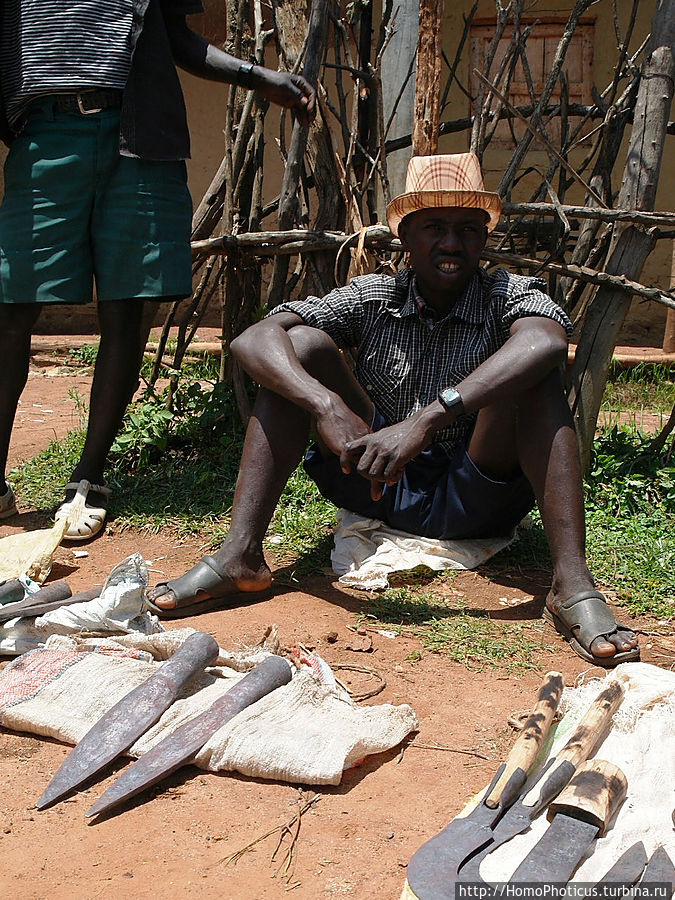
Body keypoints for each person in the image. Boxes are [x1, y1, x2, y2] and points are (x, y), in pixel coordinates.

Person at [149, 152, 640, 667]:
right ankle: (240, 556)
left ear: (484, 238)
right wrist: (326, 404)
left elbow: (545, 342)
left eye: (468, 230)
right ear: (404, 235)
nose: (452, 244)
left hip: (473, 495)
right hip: (374, 479)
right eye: (434, 227)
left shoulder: (506, 295)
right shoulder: (374, 296)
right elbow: (253, 340)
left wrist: (427, 420)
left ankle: (571, 584)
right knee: (303, 348)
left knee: (533, 375)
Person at [0, 0, 315, 540]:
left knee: (128, 308)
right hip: (44, 134)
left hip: (139, 132)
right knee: (10, 308)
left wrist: (256, 76)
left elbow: (177, 38)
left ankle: (88, 478)